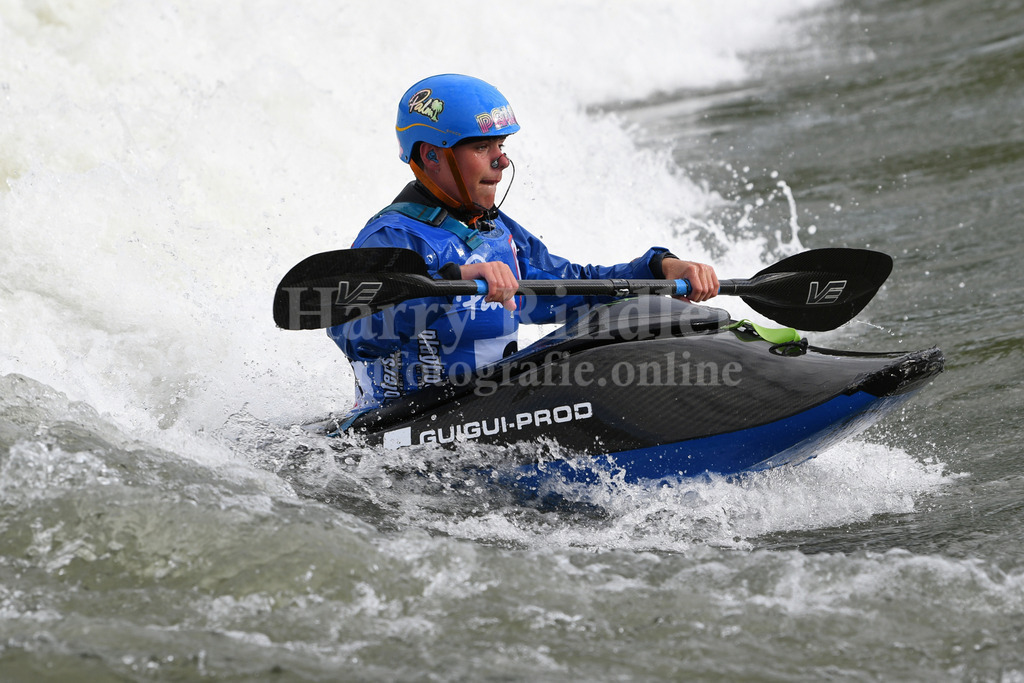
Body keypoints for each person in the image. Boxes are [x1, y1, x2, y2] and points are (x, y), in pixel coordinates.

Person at [329, 74, 718, 411]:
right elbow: (354, 333)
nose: (501, 162)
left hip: (490, 408)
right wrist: (452, 282)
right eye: (482, 148)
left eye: (501, 147)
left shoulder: (497, 231)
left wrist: (657, 268)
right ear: (431, 155)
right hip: (408, 430)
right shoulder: (391, 236)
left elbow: (570, 287)